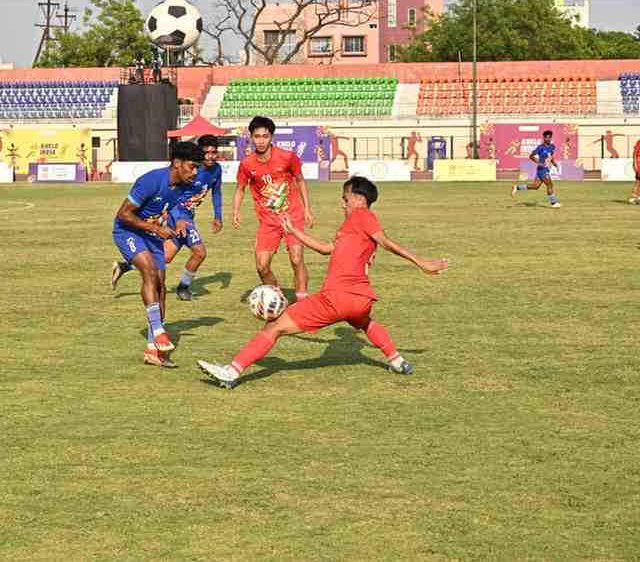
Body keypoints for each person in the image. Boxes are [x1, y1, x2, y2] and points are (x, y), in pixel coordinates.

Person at [198, 177, 449, 389]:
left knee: (273, 327)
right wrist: (294, 232)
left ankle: (231, 372)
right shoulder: (352, 226)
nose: (343, 203)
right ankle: (397, 360)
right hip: (360, 300)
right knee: (364, 321)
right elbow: (326, 249)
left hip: (337, 297)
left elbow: (386, 241)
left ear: (359, 200)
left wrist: (421, 262)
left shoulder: (363, 216)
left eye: (345, 198)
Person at [112, 141, 204, 368]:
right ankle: (159, 329)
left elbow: (176, 207)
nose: (195, 172)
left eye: (197, 168)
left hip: (152, 235)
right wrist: (156, 228)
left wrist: (181, 219)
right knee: (149, 271)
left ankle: (154, 350)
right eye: (191, 167)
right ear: (177, 163)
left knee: (161, 286)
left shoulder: (183, 186)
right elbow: (123, 214)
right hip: (127, 231)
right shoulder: (151, 180)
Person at [112, 135, 224, 301]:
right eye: (206, 152)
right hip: (179, 214)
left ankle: (125, 265)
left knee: (164, 258)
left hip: (186, 216)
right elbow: (171, 189)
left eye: (214, 152)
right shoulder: (191, 169)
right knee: (200, 252)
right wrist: (176, 218)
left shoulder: (216, 170)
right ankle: (183, 288)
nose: (210, 156)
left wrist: (218, 215)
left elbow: (216, 191)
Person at [233, 116, 314, 300]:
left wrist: (307, 209)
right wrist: (236, 211)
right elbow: (240, 189)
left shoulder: (287, 157)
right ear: (251, 137)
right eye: (257, 136)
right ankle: (278, 298)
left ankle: (302, 301)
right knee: (262, 266)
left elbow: (300, 181)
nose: (261, 140)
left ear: (271, 137)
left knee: (296, 258)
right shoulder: (247, 164)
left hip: (292, 216)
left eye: (265, 136)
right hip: (268, 221)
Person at [511, 129, 561, 208]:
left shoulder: (552, 146)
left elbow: (550, 156)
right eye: (546, 137)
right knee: (550, 184)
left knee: (535, 186)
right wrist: (539, 163)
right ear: (543, 138)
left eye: (550, 137)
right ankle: (553, 203)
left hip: (546, 169)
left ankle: (517, 187)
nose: (548, 139)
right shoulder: (540, 147)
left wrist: (554, 163)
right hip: (542, 169)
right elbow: (531, 156)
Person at [630, 138, 640, 205]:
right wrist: (635, 163)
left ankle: (637, 198)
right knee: (638, 182)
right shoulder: (639, 142)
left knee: (638, 181)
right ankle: (633, 198)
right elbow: (635, 153)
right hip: (639, 164)